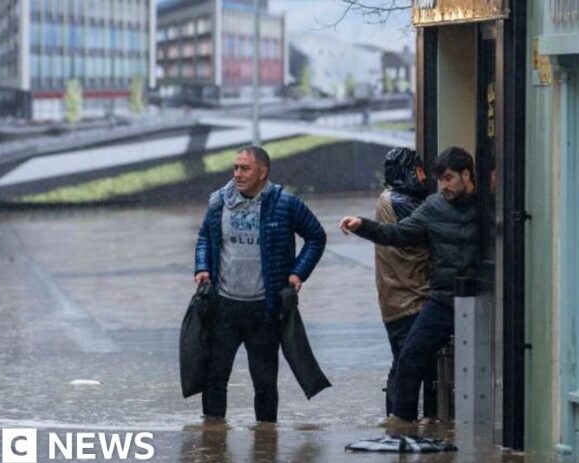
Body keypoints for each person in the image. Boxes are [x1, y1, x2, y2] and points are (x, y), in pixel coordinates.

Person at [340, 146, 483, 424]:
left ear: (467, 175)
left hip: (481, 298)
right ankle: (402, 423)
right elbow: (397, 234)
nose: (444, 186)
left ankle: (455, 425)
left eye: (449, 178)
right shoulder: (433, 206)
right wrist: (362, 226)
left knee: (479, 366)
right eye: (440, 179)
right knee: (410, 356)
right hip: (443, 300)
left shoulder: (486, 206)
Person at [194, 146, 326, 423]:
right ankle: (214, 442)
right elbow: (205, 237)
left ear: (262, 172)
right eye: (236, 168)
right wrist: (202, 267)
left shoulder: (285, 203)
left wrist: (298, 273)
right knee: (214, 379)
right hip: (224, 306)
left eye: (245, 169)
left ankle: (266, 443)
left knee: (265, 383)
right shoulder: (218, 202)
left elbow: (316, 237)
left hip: (265, 310)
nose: (237, 174)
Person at [373, 147, 434, 419]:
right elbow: (435, 226)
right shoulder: (400, 201)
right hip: (409, 298)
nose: (423, 179)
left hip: (397, 298)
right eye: (419, 172)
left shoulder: (390, 199)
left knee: (402, 364)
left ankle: (397, 425)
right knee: (407, 366)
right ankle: (401, 423)